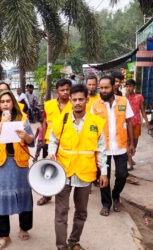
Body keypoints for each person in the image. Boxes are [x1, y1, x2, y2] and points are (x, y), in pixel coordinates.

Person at [49, 84, 108, 250]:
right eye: (74, 99)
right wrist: (51, 152)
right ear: (70, 100)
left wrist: (104, 172)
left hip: (85, 173)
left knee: (81, 212)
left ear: (87, 100)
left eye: (81, 99)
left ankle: (74, 241)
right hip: (64, 172)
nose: (77, 103)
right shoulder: (61, 119)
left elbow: (101, 150)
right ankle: (62, 246)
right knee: (61, 213)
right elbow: (52, 140)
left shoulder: (96, 122)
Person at [0, 90, 34, 250]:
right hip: (1, 165)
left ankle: (24, 227)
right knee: (1, 199)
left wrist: (26, 136)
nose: (5, 104)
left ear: (13, 102)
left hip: (20, 164)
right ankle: (4, 235)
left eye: (8, 101)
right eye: (2, 101)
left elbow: (32, 141)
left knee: (24, 196)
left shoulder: (23, 118)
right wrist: (1, 124)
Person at [92, 76, 135, 216]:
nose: (103, 90)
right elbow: (92, 127)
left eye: (106, 88)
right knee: (103, 176)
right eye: (101, 88)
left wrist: (131, 143)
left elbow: (129, 122)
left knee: (122, 175)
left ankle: (116, 196)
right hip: (103, 148)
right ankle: (106, 204)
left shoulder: (123, 101)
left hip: (121, 146)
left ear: (113, 87)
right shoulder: (95, 105)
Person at [37, 78, 73, 206]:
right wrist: (42, 139)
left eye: (67, 90)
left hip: (66, 143)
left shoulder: (74, 104)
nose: (65, 92)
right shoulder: (49, 104)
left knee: (64, 171)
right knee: (48, 169)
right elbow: (44, 122)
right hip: (49, 142)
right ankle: (46, 195)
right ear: (57, 91)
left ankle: (63, 201)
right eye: (62, 90)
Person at [125, 79, 149, 171]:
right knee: (128, 142)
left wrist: (146, 121)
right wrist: (126, 97)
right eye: (127, 86)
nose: (129, 88)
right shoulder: (124, 98)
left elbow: (142, 110)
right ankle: (130, 162)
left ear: (134, 87)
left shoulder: (139, 97)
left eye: (130, 86)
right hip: (127, 123)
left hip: (137, 123)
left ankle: (130, 157)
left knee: (134, 143)